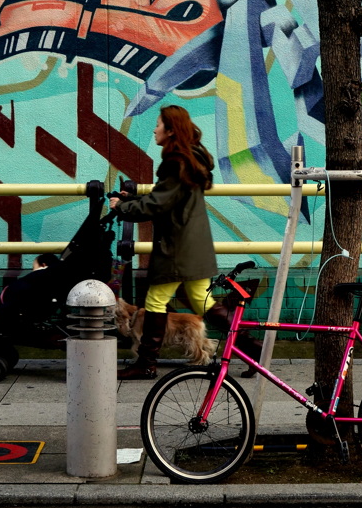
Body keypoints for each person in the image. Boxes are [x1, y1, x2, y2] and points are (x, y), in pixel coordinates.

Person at [108, 105, 262, 379]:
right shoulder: (188, 160)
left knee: (155, 300)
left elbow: (158, 204)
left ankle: (146, 364)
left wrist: (122, 207)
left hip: (178, 247)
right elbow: (166, 198)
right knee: (203, 302)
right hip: (194, 245)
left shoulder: (176, 163)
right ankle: (254, 350)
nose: (154, 130)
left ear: (170, 130)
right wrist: (130, 201)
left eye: (158, 125)